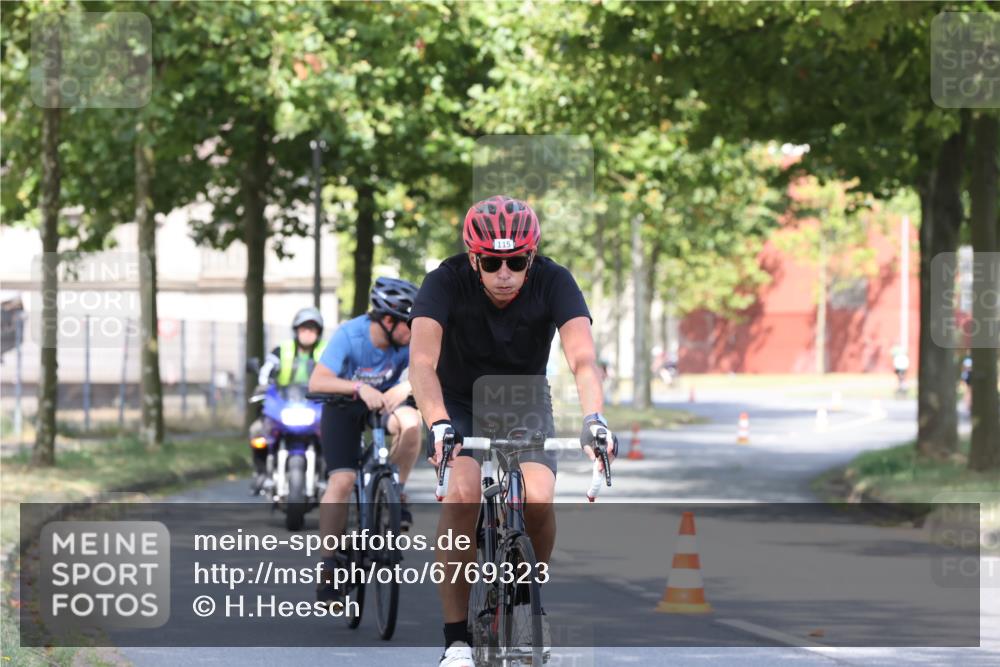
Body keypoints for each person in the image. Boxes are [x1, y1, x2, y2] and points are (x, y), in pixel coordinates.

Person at [408, 195, 618, 667]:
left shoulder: (554, 280)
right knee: (462, 497)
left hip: (523, 400)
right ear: (473, 258)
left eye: (517, 261)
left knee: (539, 496)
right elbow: (421, 364)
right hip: (457, 402)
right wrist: (438, 423)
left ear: (532, 256)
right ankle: (456, 639)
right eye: (493, 262)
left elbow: (583, 358)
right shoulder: (444, 281)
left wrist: (595, 419)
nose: (505, 273)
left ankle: (525, 599)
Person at [307, 277, 422, 605]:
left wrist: (407, 387)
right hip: (343, 408)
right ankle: (329, 565)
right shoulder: (350, 335)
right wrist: (359, 388)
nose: (413, 331)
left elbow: (426, 368)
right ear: (388, 321)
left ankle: (394, 493)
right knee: (342, 480)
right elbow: (319, 379)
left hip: (385, 404)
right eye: (408, 325)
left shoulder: (406, 342)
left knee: (412, 423)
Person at [248, 307, 327, 494]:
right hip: (284, 403)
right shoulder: (281, 350)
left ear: (318, 332)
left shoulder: (327, 351)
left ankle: (328, 475)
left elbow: (338, 370)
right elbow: (266, 371)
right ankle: (261, 473)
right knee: (257, 433)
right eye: (303, 328)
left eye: (312, 329)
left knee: (335, 434)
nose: (307, 333)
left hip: (315, 405)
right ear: (296, 330)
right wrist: (263, 385)